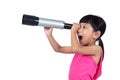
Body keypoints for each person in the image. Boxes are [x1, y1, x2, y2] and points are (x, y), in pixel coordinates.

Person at [44, 14, 106, 80]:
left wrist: (73, 31)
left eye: (84, 27)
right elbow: (58, 49)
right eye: (79, 27)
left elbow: (75, 49)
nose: (78, 30)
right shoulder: (80, 48)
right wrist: (49, 35)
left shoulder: (97, 49)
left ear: (96, 34)